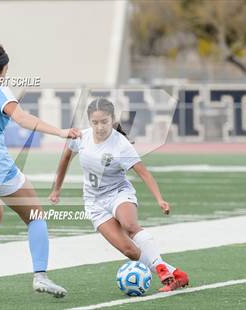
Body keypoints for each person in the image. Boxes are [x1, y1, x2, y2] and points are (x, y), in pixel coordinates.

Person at [0, 36, 80, 301]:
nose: (6, 76)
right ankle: (40, 275)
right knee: (35, 215)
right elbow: (22, 118)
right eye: (5, 71)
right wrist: (60, 132)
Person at [49, 98, 189, 292]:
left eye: (104, 121)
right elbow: (64, 159)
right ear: (89, 121)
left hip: (118, 193)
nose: (99, 127)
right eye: (95, 122)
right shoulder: (80, 137)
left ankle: (161, 269)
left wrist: (159, 199)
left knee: (130, 225)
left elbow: (143, 172)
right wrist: (57, 189)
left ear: (112, 119)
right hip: (94, 203)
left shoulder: (120, 145)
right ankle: (177, 275)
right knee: (130, 251)